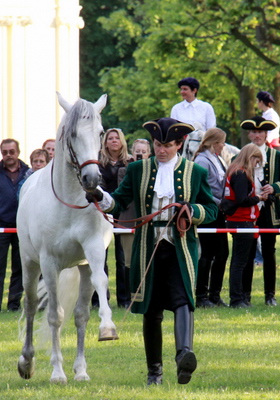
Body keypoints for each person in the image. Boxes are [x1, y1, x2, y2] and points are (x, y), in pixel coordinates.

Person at [89, 117, 217, 385]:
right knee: (152, 308)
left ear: (179, 144)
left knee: (183, 301)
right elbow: (120, 200)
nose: (161, 150)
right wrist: (101, 196)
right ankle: (154, 373)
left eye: (168, 145)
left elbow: (212, 209)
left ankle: (184, 356)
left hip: (181, 246)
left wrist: (192, 211)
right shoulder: (137, 169)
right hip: (148, 246)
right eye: (158, 144)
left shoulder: (196, 172)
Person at [241, 116, 280, 306]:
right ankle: (245, 295)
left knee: (269, 253)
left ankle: (270, 295)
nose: (257, 135)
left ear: (266, 134)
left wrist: (274, 188)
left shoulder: (277, 156)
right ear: (249, 134)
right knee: (248, 252)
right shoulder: (242, 154)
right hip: (248, 209)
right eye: (253, 132)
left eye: (260, 132)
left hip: (269, 210)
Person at [0, 139, 29, 312]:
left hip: (22, 226)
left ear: (18, 152)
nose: (8, 155)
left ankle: (14, 304)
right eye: (5, 152)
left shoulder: (28, 173)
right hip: (0, 225)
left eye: (11, 151)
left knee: (19, 266)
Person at [223, 144, 266, 308]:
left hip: (240, 220)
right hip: (241, 220)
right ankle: (236, 299)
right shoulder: (240, 174)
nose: (256, 165)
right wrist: (259, 198)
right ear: (251, 157)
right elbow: (241, 200)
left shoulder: (234, 170)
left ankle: (241, 297)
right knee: (239, 263)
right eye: (256, 161)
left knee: (242, 261)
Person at [193, 128, 229, 307]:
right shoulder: (202, 161)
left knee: (222, 253)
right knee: (207, 253)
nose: (223, 145)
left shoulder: (217, 158)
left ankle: (215, 295)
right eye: (222, 142)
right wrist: (218, 202)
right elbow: (201, 189)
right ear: (214, 142)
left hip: (219, 211)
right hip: (209, 211)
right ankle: (201, 295)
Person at [98, 128, 130, 308]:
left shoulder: (130, 161)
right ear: (105, 142)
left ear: (122, 141)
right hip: (101, 213)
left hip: (123, 214)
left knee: (122, 258)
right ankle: (99, 300)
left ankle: (124, 300)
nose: (113, 141)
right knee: (99, 258)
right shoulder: (98, 163)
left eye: (117, 137)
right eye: (110, 138)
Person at [117, 138, 151, 298]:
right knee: (129, 260)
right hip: (129, 220)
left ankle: (147, 292)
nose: (140, 154)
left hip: (148, 220)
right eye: (137, 151)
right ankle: (128, 297)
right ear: (132, 152)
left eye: (144, 152)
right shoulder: (125, 171)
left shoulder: (154, 171)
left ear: (149, 154)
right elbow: (126, 195)